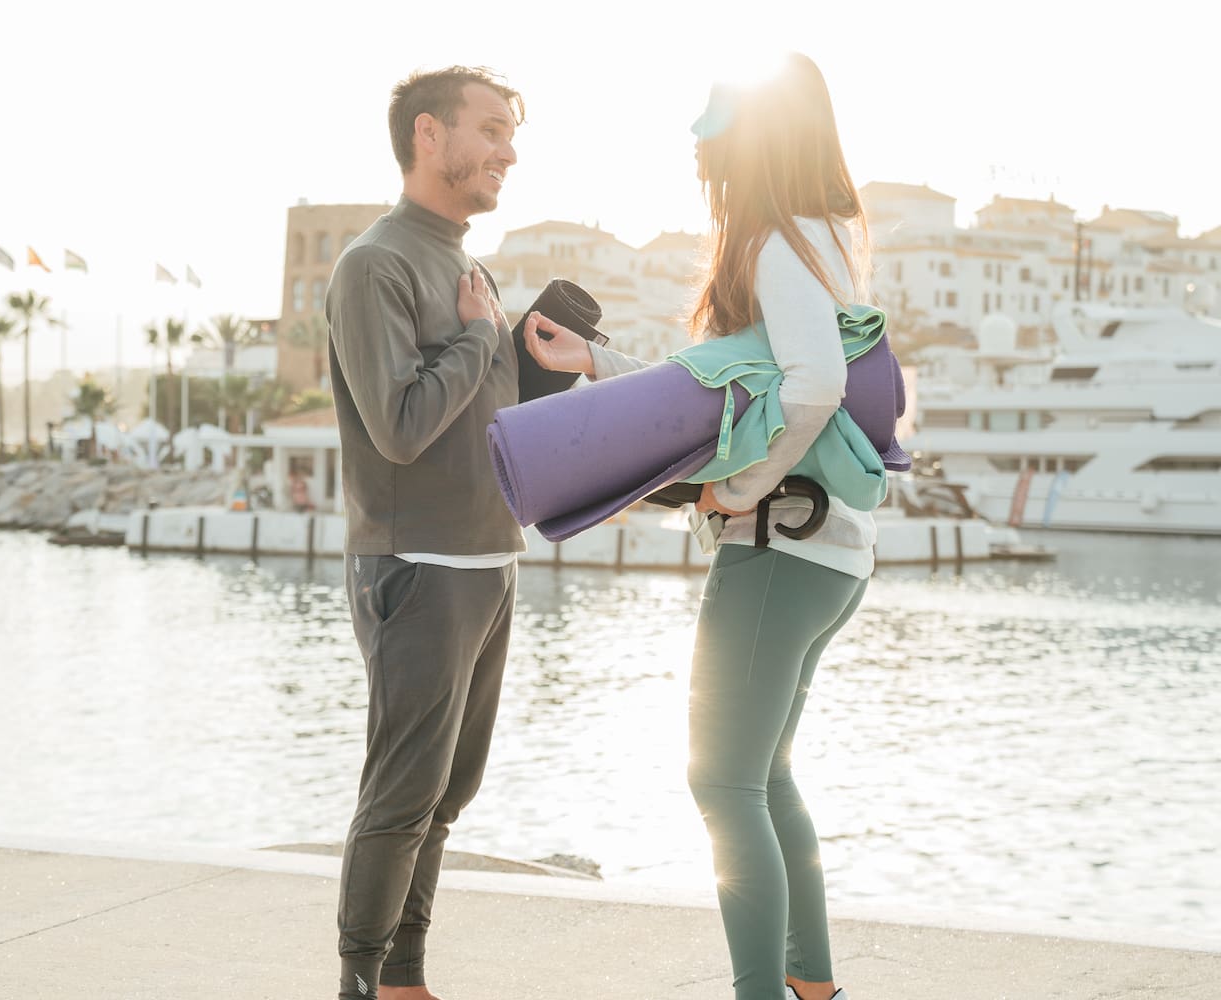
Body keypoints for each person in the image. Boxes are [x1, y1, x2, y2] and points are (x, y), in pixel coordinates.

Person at [522, 53, 872, 1000]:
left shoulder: (776, 241)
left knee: (722, 785)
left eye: (707, 146)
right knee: (770, 777)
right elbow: (710, 399)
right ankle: (811, 986)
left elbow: (814, 387)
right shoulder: (828, 240)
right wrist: (597, 360)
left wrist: (741, 490)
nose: (698, 168)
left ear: (741, 151)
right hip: (828, 555)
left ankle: (762, 995)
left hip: (775, 549)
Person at [323, 65, 525, 1000]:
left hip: (488, 560)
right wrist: (482, 342)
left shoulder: (470, 269)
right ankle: (358, 984)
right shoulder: (377, 263)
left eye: (511, 133)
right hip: (418, 563)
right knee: (403, 795)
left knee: (448, 797)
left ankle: (405, 981)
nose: (507, 151)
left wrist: (533, 359)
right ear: (428, 137)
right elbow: (401, 427)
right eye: (490, 129)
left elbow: (490, 414)